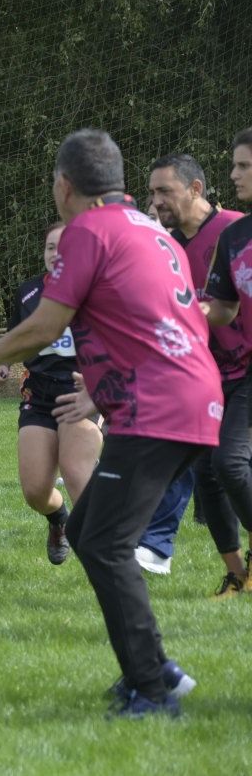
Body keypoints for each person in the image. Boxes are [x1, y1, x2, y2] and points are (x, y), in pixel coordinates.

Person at [0, 128, 221, 718]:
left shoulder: (86, 232)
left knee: (105, 542)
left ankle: (156, 687)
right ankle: (151, 671)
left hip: (162, 405)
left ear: (64, 185)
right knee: (87, 531)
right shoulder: (153, 231)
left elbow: (47, 326)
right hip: (186, 396)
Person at [147, 153, 246, 583]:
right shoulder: (163, 244)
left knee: (229, 464)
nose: (157, 201)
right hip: (204, 376)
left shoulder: (235, 230)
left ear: (195, 189)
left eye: (164, 191)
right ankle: (237, 575)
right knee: (207, 473)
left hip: (245, 370)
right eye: (152, 193)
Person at [0, 224, 102, 565]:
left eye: (65, 248)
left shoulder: (98, 294)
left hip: (81, 392)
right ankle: (58, 520)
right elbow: (16, 338)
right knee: (36, 491)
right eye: (51, 248)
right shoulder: (28, 293)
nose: (57, 254)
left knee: (75, 473)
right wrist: (2, 361)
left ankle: (104, 559)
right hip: (38, 394)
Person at [203, 128, 252, 598]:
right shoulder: (234, 236)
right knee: (220, 464)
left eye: (243, 165)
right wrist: (183, 309)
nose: (233, 173)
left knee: (229, 463)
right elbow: (223, 308)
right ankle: (237, 572)